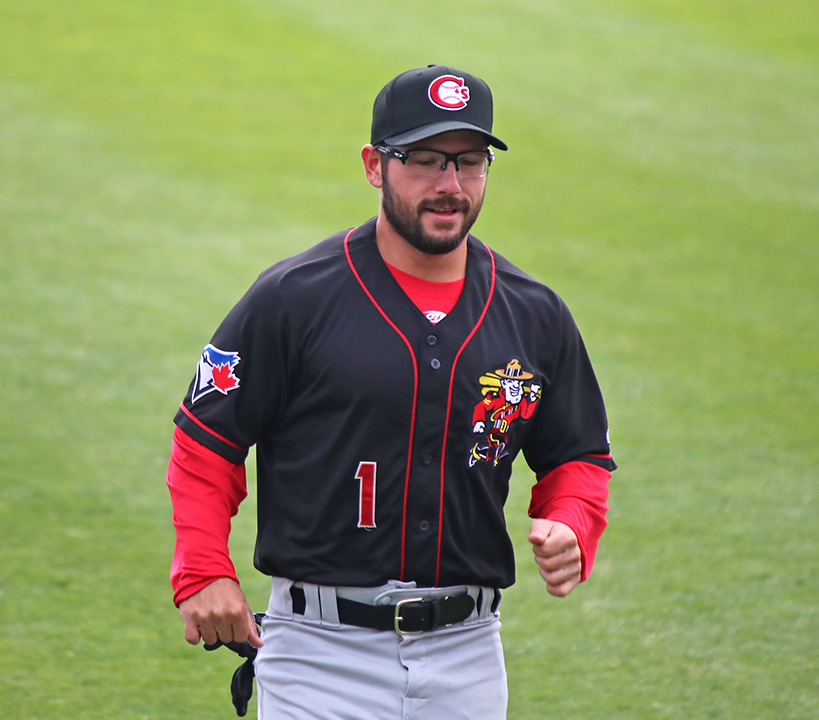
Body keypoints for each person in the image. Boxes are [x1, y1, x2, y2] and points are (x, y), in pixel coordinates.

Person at [166, 64, 616, 719]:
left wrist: (572, 521)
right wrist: (203, 568)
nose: (449, 185)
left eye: (470, 162)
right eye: (425, 160)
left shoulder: (533, 314)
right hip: (319, 656)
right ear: (375, 166)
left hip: (468, 657)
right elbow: (207, 442)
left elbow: (579, 453)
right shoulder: (294, 299)